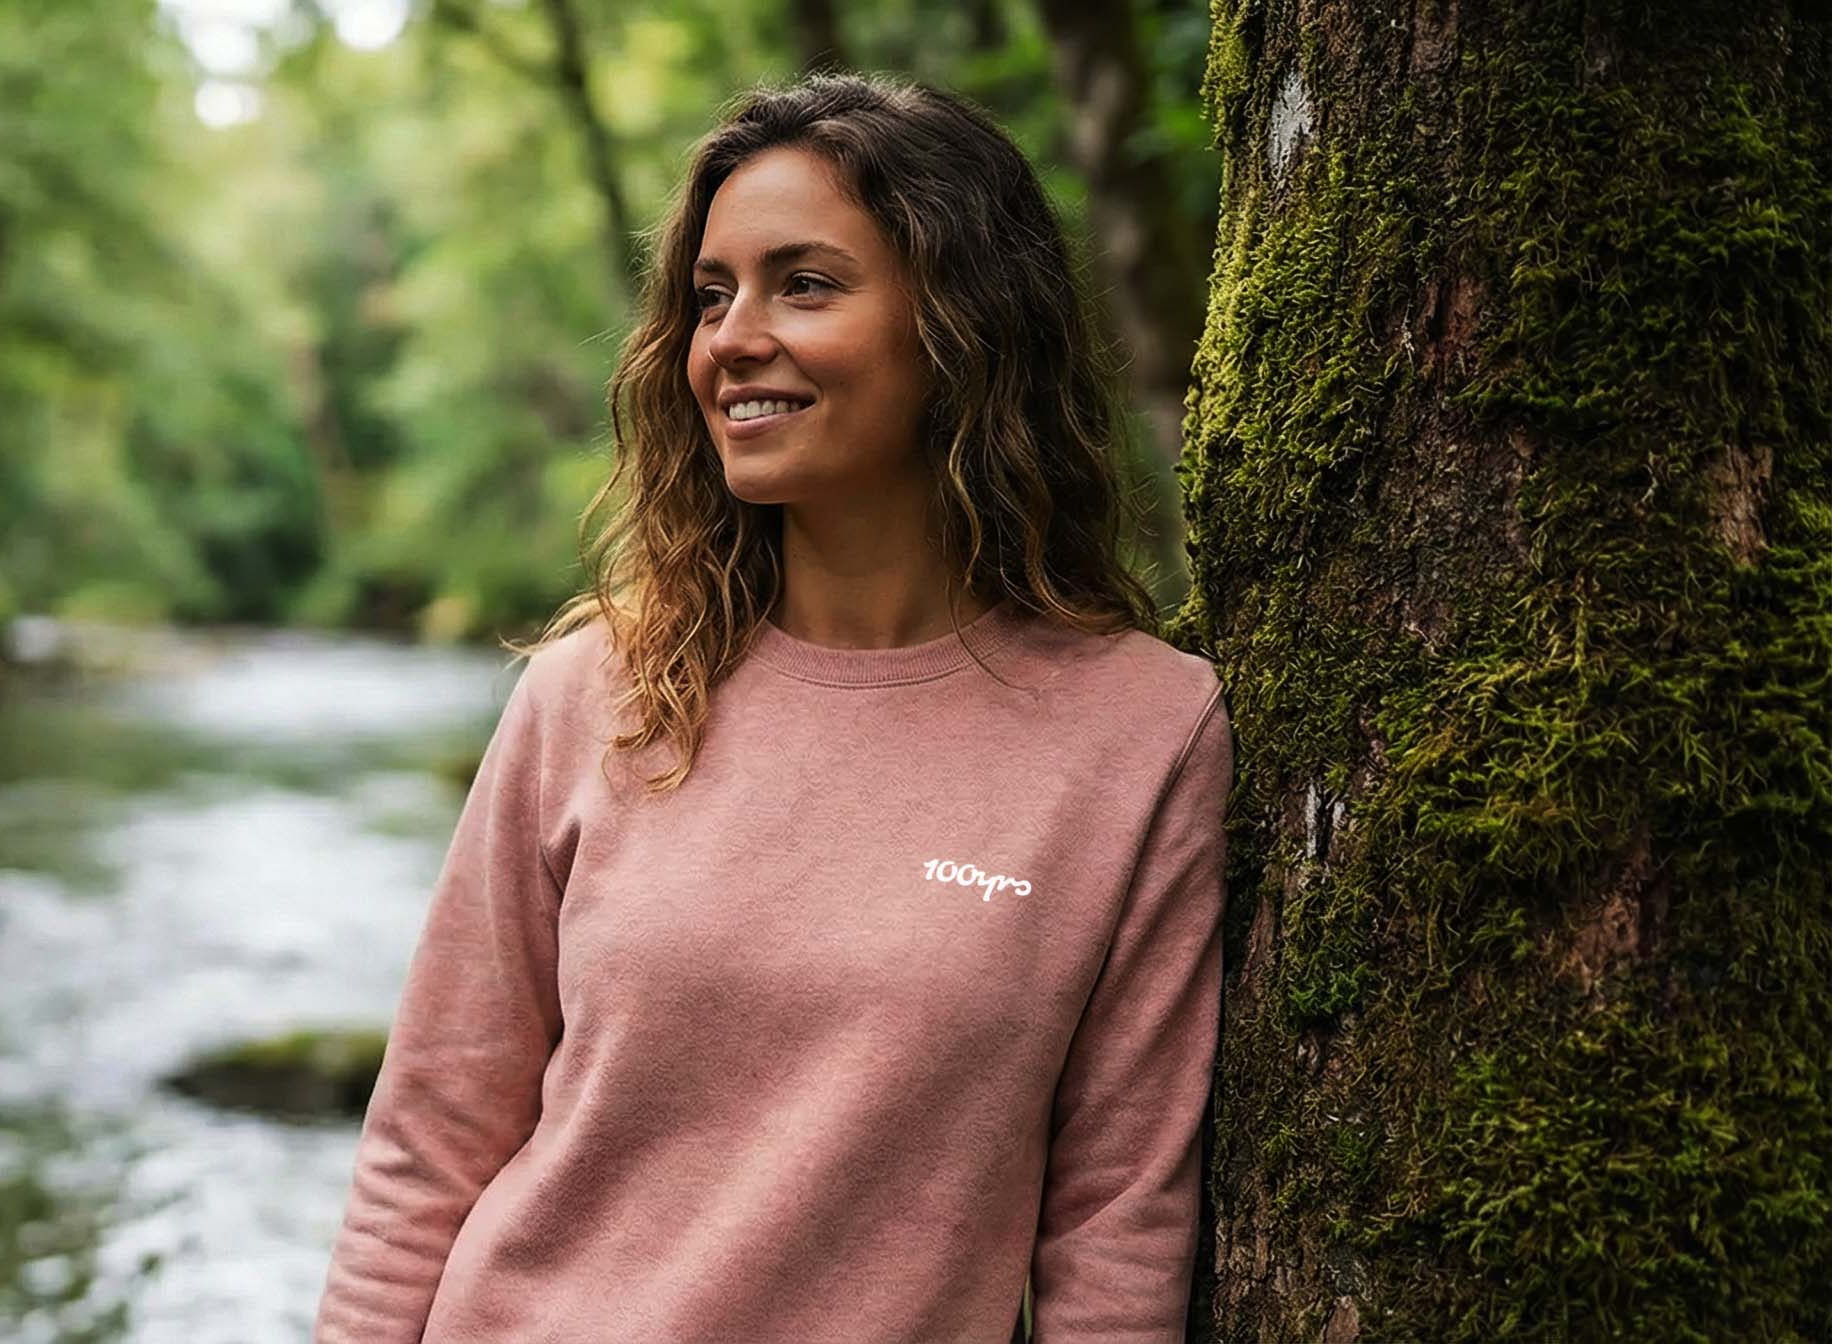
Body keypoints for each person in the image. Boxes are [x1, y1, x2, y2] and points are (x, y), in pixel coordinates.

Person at [312, 74, 1230, 1344]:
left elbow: (1118, 1221)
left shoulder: (1143, 733)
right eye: (710, 295)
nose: (732, 338)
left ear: (963, 323)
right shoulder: (595, 693)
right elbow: (428, 1142)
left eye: (804, 284)